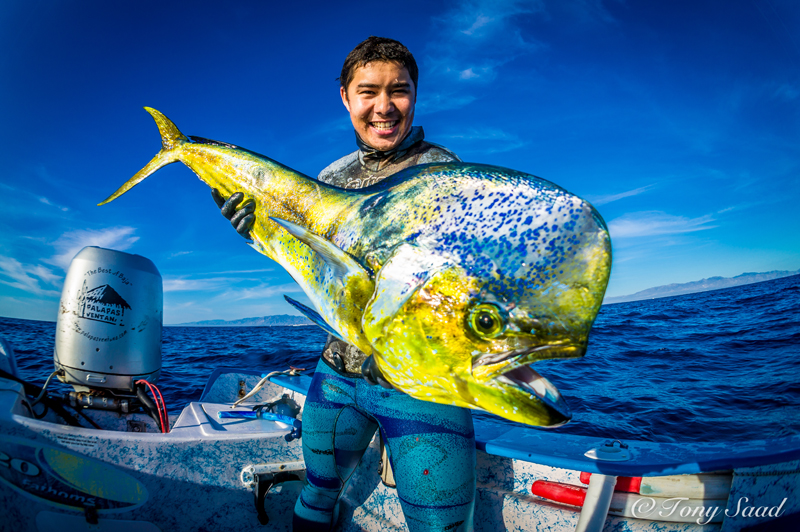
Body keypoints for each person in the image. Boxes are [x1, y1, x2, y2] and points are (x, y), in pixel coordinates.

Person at [214, 37, 476, 532]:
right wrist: (255, 231)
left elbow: (454, 285)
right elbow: (311, 267)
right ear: (345, 97)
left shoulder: (443, 171)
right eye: (368, 91)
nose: (384, 107)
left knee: (441, 526)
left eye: (398, 91)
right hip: (336, 373)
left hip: (422, 386)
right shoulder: (329, 177)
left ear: (415, 95)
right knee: (315, 497)